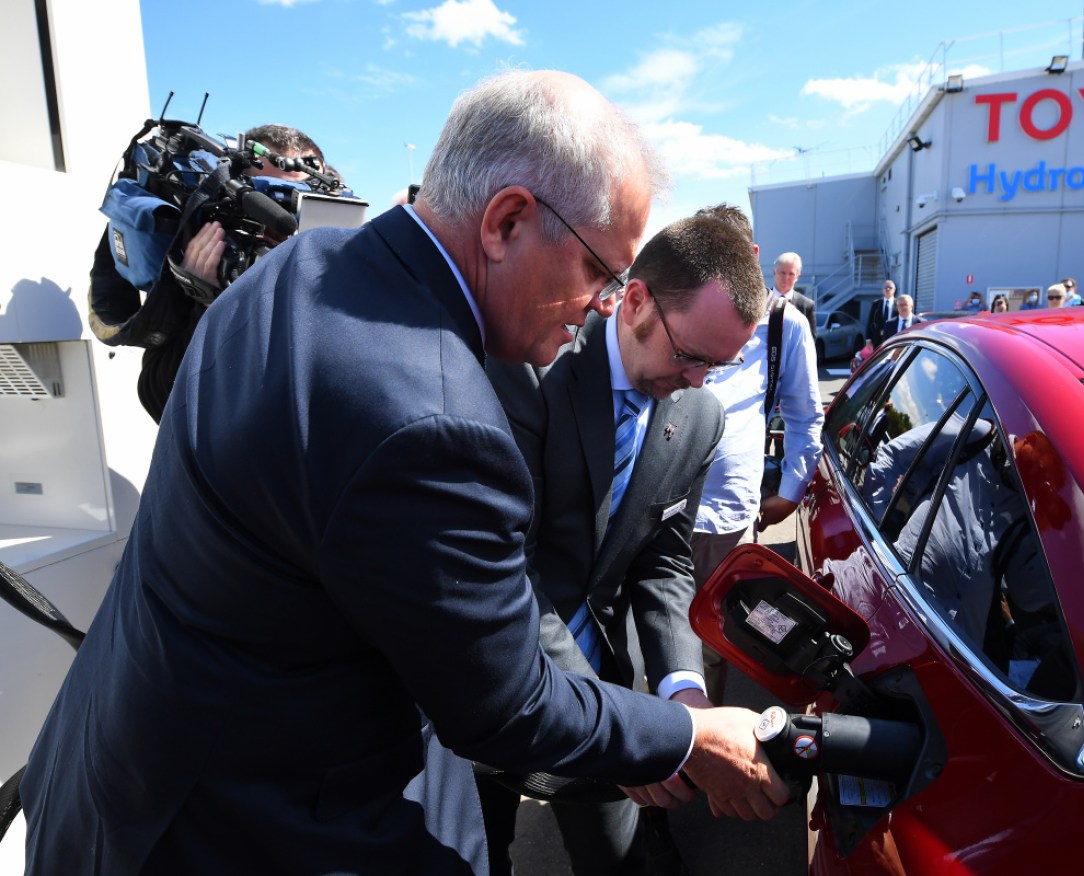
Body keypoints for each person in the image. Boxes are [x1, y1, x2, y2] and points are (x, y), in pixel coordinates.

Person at [21, 71, 786, 876]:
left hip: (115, 766)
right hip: (223, 826)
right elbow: (507, 704)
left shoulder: (303, 261)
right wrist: (690, 735)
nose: (603, 303)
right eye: (600, 270)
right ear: (508, 220)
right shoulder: (434, 416)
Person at [478, 214, 764, 876]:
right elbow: (504, 571)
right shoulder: (528, 370)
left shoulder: (699, 416)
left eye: (720, 366)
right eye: (690, 355)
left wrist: (682, 694)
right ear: (634, 299)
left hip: (606, 690)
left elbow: (661, 562)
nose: (698, 381)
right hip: (487, 695)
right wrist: (619, 730)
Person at [87, 124, 330, 422]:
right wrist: (209, 306)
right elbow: (160, 402)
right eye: (266, 197)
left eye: (295, 201)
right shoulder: (207, 266)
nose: (280, 222)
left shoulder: (341, 267)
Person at [691, 204, 824, 705]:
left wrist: (791, 490)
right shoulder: (681, 305)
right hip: (662, 509)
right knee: (664, 628)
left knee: (721, 632)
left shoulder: (782, 325)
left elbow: (805, 416)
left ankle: (706, 739)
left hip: (727, 513)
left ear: (752, 255)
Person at [772, 251, 817, 339]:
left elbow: (810, 341)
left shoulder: (806, 306)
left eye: (791, 274)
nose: (786, 278)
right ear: (774, 272)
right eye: (783, 273)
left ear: (797, 276)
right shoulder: (761, 300)